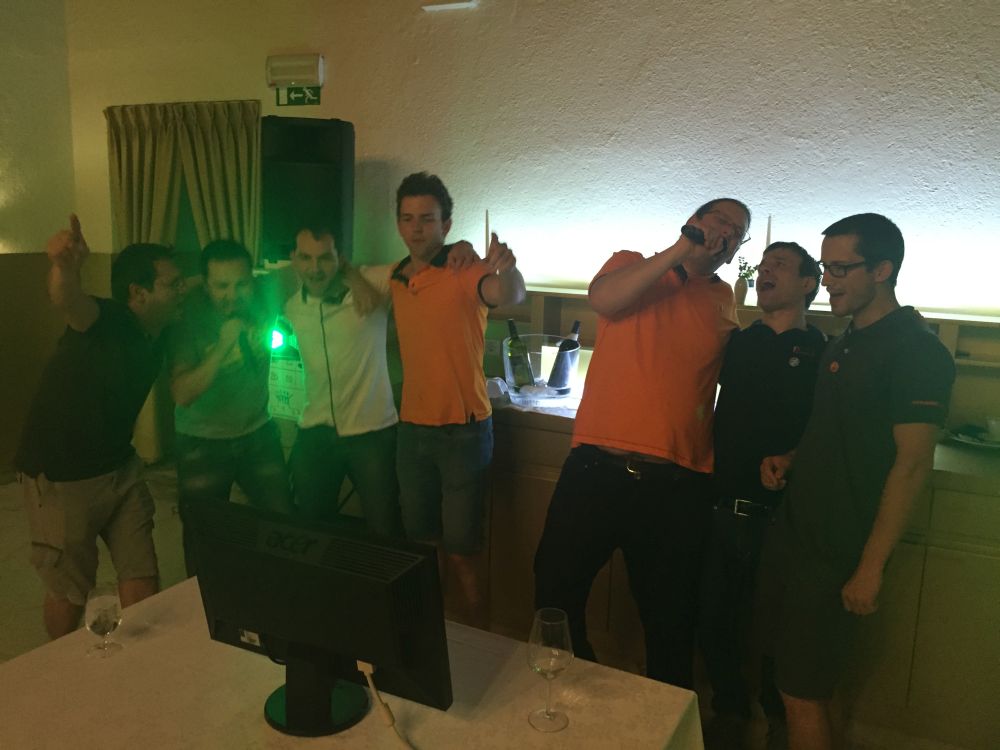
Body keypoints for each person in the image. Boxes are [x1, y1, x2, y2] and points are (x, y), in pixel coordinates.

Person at [533, 198, 750, 688]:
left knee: (671, 616)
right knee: (555, 589)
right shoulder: (631, 264)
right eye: (719, 222)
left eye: (737, 232)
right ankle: (572, 691)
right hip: (597, 468)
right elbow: (604, 300)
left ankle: (665, 717)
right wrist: (680, 251)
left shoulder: (723, 300)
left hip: (677, 485)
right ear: (692, 223)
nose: (726, 234)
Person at [759, 214, 955, 750]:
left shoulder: (916, 350)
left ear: (883, 270)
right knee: (814, 685)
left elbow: (911, 465)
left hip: (839, 549)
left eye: (841, 269)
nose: (828, 281)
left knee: (799, 691)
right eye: (825, 268)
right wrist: (792, 458)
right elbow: (839, 429)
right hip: (799, 534)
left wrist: (870, 568)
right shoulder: (847, 339)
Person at [16, 215, 184, 638]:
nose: (182, 289)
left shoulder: (160, 329)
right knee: (70, 590)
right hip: (62, 476)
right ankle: (58, 664)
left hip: (119, 467)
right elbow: (67, 299)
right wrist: (64, 267)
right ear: (139, 293)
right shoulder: (108, 320)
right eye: (173, 284)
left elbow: (199, 287)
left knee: (143, 574)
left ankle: (139, 664)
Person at [698, 242, 825, 748]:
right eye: (764, 264)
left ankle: (780, 720)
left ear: (808, 284)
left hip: (784, 515)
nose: (766, 270)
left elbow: (828, 428)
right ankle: (729, 711)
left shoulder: (824, 351)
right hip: (721, 503)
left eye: (780, 265)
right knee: (715, 618)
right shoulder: (737, 341)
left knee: (776, 629)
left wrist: (793, 457)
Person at [391, 172, 526, 627]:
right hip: (411, 430)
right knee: (421, 546)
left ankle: (475, 644)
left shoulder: (464, 268)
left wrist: (507, 267)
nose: (416, 228)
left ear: (445, 225)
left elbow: (509, 293)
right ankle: (432, 636)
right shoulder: (396, 276)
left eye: (427, 219)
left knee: (463, 551)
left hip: (463, 433)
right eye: (407, 218)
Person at [169, 239, 292, 575]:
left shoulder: (265, 294)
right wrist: (223, 346)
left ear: (253, 280)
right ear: (206, 285)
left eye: (241, 284)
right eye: (221, 286)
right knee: (203, 537)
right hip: (202, 441)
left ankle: (281, 592)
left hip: (258, 431)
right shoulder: (188, 318)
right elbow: (182, 393)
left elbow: (307, 266)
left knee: (283, 526)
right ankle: (204, 601)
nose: (232, 295)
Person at [283, 226, 403, 537]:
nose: (315, 268)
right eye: (306, 258)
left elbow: (418, 264)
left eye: (325, 258)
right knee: (311, 531)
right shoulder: (292, 307)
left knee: (386, 530)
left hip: (373, 433)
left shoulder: (370, 285)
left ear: (340, 259)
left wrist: (353, 276)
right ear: (293, 258)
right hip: (314, 432)